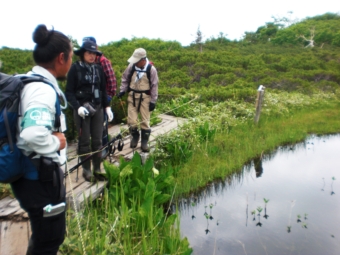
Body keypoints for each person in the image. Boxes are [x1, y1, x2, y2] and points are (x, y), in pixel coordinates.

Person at [10, 24, 72, 255]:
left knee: (44, 238)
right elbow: (32, 133)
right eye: (71, 56)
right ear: (61, 57)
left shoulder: (27, 80)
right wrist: (57, 143)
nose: (70, 63)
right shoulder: (42, 90)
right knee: (49, 240)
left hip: (30, 176)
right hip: (39, 179)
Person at [65, 40, 113, 182]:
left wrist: (107, 107)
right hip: (82, 110)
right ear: (82, 54)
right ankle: (86, 170)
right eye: (89, 53)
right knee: (84, 141)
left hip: (98, 108)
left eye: (94, 53)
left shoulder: (99, 69)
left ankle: (97, 169)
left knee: (98, 140)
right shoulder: (75, 69)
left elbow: (103, 90)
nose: (92, 56)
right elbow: (69, 92)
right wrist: (77, 107)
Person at [117, 48, 158, 152]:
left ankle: (144, 142)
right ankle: (135, 137)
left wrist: (153, 101)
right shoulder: (131, 67)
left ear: (143, 60)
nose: (134, 62)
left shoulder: (151, 69)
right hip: (132, 96)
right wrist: (122, 90)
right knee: (132, 120)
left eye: (137, 60)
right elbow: (125, 78)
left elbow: (154, 86)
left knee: (145, 121)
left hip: (145, 98)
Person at [82, 36, 117, 158]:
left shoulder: (103, 62)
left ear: (96, 47)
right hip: (89, 99)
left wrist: (108, 97)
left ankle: (104, 148)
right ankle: (97, 147)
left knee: (102, 124)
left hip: (103, 98)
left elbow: (112, 80)